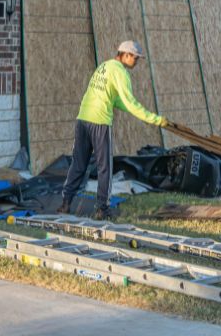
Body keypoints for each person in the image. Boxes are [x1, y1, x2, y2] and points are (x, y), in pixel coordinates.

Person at [59, 40, 169, 219]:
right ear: (125, 55)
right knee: (105, 168)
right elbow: (130, 103)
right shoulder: (120, 72)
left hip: (83, 119)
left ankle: (65, 203)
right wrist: (155, 119)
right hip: (100, 121)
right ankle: (102, 209)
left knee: (78, 164)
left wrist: (130, 108)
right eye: (135, 58)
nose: (137, 62)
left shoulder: (104, 66)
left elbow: (117, 101)